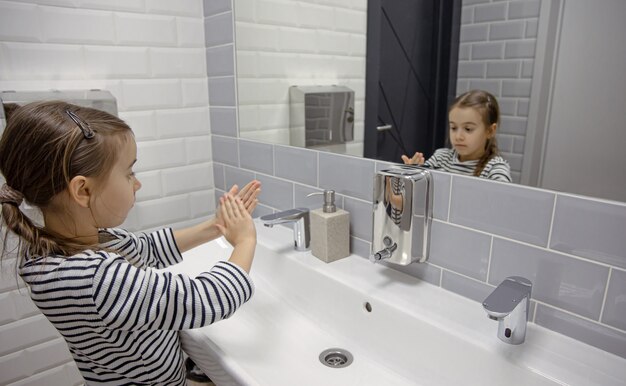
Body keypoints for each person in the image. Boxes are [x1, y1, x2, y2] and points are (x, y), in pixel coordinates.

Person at [0, 101, 261, 385]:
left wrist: (216, 227)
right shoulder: (92, 279)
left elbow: (145, 248)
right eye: (128, 173)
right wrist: (245, 239)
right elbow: (206, 299)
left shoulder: (62, 245)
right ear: (83, 190)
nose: (137, 184)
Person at [401, 90, 512, 182]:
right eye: (453, 128)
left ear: (490, 131)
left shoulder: (495, 168)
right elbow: (420, 193)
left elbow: (502, 202)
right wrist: (413, 173)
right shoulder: (440, 158)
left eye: (468, 129)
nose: (458, 136)